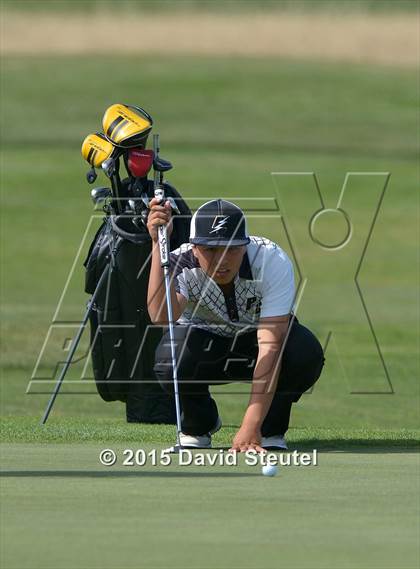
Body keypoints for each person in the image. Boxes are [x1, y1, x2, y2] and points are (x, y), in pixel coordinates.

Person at [146, 198, 324, 452]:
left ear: (245, 246)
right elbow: (161, 316)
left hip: (257, 343)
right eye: (210, 250)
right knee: (170, 357)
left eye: (232, 249)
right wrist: (157, 244)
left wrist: (250, 424)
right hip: (204, 346)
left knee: (302, 352)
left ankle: (268, 430)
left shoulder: (270, 260)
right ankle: (199, 425)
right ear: (194, 247)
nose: (222, 260)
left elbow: (270, 346)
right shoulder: (179, 261)